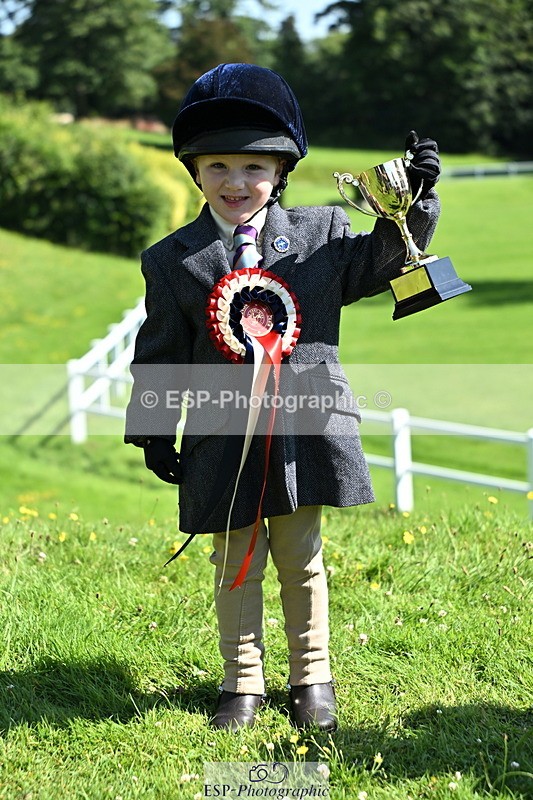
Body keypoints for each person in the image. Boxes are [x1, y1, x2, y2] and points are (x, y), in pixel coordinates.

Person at [124, 63, 441, 732]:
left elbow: (386, 258)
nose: (235, 183)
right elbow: (160, 352)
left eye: (251, 167)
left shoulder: (324, 232)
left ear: (280, 169)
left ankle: (312, 677)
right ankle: (240, 685)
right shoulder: (171, 259)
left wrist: (413, 202)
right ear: (194, 173)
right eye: (216, 167)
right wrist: (153, 431)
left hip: (305, 425)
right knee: (234, 563)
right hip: (219, 436)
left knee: (301, 557)